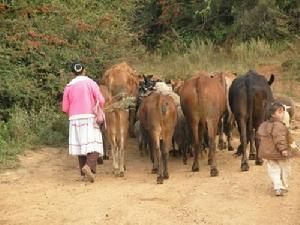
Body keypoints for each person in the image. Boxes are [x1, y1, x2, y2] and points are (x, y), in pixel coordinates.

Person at [62, 62, 105, 183]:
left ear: (72, 73)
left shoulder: (68, 86)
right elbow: (101, 100)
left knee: (81, 145)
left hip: (74, 119)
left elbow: (65, 108)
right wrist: (99, 107)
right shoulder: (91, 83)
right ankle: (88, 167)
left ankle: (83, 174)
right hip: (89, 117)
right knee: (95, 144)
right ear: (84, 70)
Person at [257, 102, 296, 196]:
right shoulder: (279, 126)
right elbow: (280, 139)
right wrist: (283, 149)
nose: (282, 114)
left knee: (273, 170)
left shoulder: (264, 125)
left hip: (269, 154)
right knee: (285, 169)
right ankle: (284, 185)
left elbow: (259, 135)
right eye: (280, 112)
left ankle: (277, 187)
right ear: (272, 114)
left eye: (283, 112)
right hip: (280, 153)